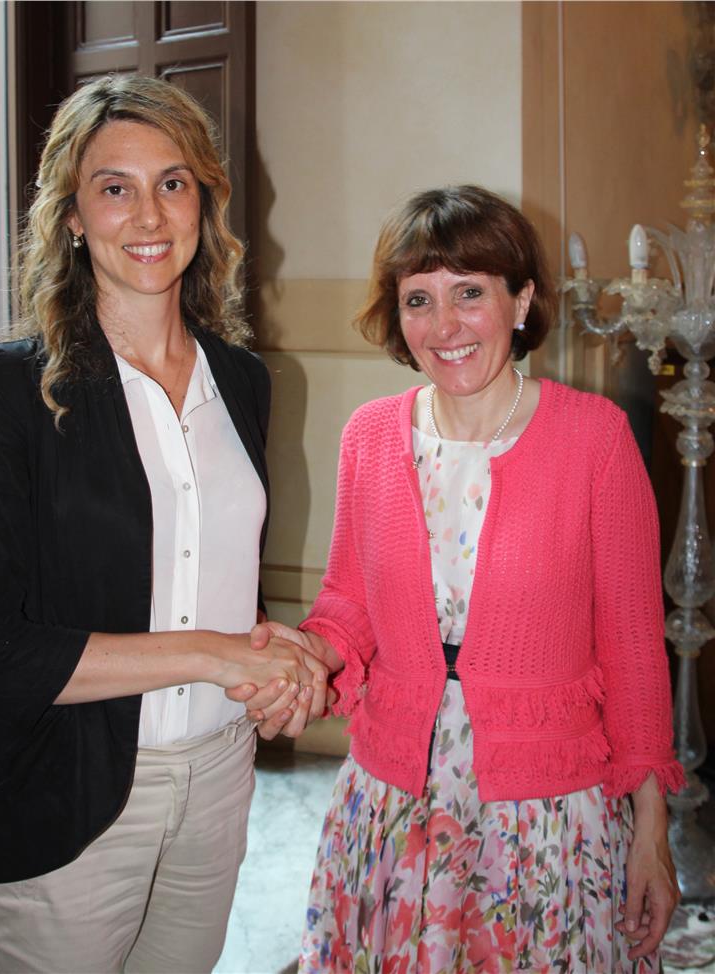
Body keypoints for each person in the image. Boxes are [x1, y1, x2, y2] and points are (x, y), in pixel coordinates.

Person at [0, 74, 326, 974]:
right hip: (61, 795)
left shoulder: (241, 379)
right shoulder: (12, 388)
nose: (149, 215)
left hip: (218, 779)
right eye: (115, 188)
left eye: (172, 183)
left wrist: (269, 655)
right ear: (72, 215)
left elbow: (202, 572)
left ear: (204, 202)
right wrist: (215, 655)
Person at [249, 186, 684, 972]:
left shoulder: (595, 441)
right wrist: (307, 655)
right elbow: (348, 602)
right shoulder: (370, 437)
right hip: (393, 798)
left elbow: (633, 651)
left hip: (546, 815)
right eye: (419, 299)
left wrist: (651, 830)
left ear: (522, 301)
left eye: (470, 293)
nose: (444, 326)